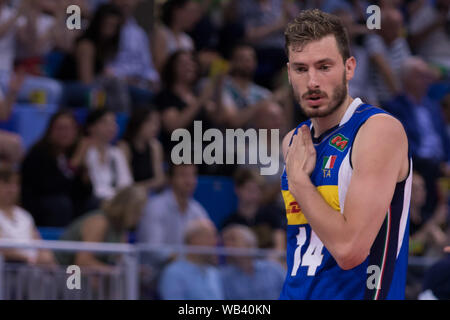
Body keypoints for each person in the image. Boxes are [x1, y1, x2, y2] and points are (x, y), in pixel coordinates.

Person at [280, 9, 411, 300]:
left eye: (324, 67)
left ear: (349, 68)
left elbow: (349, 251)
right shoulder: (292, 141)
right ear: (289, 73)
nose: (312, 81)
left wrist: (300, 182)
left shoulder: (378, 130)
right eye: (301, 69)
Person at [384, 57, 449, 223]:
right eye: (421, 76)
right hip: (417, 162)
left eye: (427, 76)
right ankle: (427, 226)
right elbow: (400, 141)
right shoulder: (395, 106)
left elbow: (443, 137)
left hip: (439, 163)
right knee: (429, 169)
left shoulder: (432, 106)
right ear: (406, 79)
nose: (426, 80)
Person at [21, 110, 97, 227]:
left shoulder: (72, 153)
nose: (64, 133)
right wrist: (74, 163)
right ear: (50, 131)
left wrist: (84, 172)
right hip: (40, 206)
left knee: (92, 203)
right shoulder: (39, 152)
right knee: (61, 204)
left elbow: (84, 192)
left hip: (66, 205)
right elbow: (52, 187)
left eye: (69, 129)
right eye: (60, 128)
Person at [54, 185, 147, 271]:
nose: (141, 216)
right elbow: (83, 262)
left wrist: (135, 271)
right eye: (138, 211)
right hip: (60, 275)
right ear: (126, 208)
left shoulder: (121, 230)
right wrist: (113, 272)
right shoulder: (100, 222)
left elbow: (119, 262)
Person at [137, 163, 209, 252]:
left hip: (188, 264)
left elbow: (207, 246)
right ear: (170, 179)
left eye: (192, 175)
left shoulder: (197, 210)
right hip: (158, 266)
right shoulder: (155, 207)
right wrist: (184, 261)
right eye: (183, 175)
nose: (189, 181)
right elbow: (153, 249)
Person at [158, 218, 224, 300]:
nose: (215, 242)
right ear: (193, 239)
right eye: (210, 236)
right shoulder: (173, 273)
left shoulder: (214, 273)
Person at [0, 168, 55, 265]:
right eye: (6, 183)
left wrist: (47, 258)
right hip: (8, 269)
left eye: (15, 184)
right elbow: (3, 249)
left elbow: (39, 244)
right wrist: (28, 259)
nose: (12, 189)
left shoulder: (24, 215)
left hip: (30, 269)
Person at [221, 168, 286, 251]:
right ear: (237, 189)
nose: (254, 195)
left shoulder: (272, 216)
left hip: (270, 262)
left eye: (258, 190)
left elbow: (279, 249)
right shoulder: (229, 223)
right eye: (250, 190)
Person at [220, 224, 285, 300]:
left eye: (233, 239)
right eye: (225, 241)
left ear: (250, 244)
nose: (228, 244)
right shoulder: (222, 277)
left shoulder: (273, 269)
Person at [84, 108, 133, 201]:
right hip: (94, 200)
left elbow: (126, 183)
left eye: (113, 122)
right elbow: (93, 187)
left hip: (115, 200)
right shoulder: (85, 151)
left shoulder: (116, 152)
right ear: (91, 127)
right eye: (105, 123)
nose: (111, 126)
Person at [117, 108, 165, 192]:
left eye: (157, 123)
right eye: (151, 122)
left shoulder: (155, 146)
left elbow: (160, 180)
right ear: (139, 123)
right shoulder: (124, 147)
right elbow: (126, 184)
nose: (156, 127)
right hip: (131, 196)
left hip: (151, 195)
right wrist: (151, 184)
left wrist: (143, 186)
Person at [152, 0, 200, 72]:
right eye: (190, 12)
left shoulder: (188, 40)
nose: (194, 17)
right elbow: (158, 67)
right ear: (176, 11)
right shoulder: (161, 35)